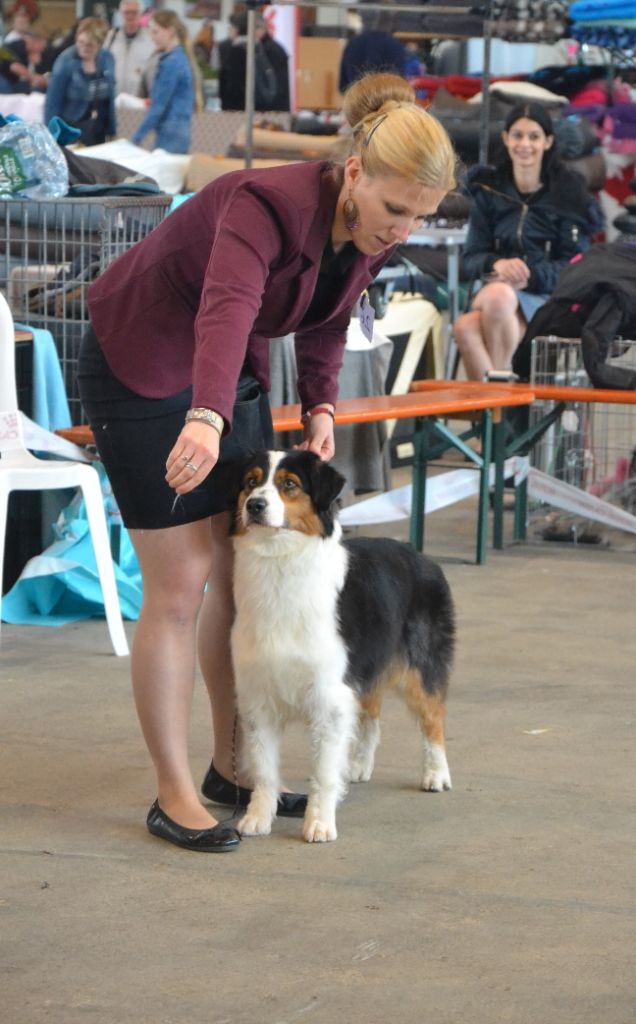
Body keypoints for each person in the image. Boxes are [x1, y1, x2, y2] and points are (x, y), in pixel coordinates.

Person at [76, 72, 456, 853]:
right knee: (180, 582)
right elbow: (227, 309)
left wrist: (321, 408)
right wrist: (207, 418)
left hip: (226, 373)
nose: (403, 230)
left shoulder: (368, 232)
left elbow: (328, 320)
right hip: (142, 360)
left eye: (420, 217)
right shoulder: (266, 204)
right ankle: (174, 793)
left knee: (234, 569)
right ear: (355, 172)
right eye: (396, 210)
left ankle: (236, 767)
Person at [453, 102, 600, 381]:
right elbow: (471, 257)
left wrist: (529, 276)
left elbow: (576, 266)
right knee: (499, 297)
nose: (525, 144)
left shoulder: (568, 195)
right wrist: (497, 264)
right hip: (497, 292)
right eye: (517, 135)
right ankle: (505, 401)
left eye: (534, 136)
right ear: (506, 138)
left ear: (548, 142)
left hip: (545, 298)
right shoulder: (489, 190)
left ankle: (495, 403)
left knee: (466, 328)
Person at [131, 9, 201, 154]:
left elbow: (158, 106)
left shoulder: (171, 63)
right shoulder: (180, 58)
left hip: (170, 134)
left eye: (155, 32)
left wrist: (136, 138)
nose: (151, 37)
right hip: (177, 133)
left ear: (170, 31)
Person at [44, 17, 116, 146]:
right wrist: (51, 137)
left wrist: (112, 130)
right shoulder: (65, 61)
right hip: (71, 128)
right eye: (80, 42)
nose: (84, 48)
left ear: (100, 44)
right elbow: (52, 103)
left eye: (90, 45)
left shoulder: (107, 58)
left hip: (99, 127)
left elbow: (110, 98)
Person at [218, 11, 276, 112]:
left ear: (238, 29)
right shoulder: (259, 48)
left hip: (238, 111)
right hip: (261, 108)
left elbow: (230, 86)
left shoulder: (236, 51)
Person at [338, 9, 407, 94]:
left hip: (356, 98)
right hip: (385, 99)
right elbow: (399, 85)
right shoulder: (395, 46)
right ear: (392, 23)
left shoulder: (352, 44)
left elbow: (342, 86)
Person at [104, 0, 156, 98]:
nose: (130, 16)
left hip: (139, 101)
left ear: (140, 14)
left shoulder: (150, 40)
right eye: (127, 12)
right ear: (121, 14)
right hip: (113, 100)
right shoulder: (111, 37)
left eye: (134, 12)